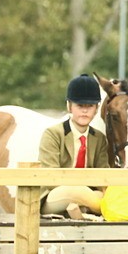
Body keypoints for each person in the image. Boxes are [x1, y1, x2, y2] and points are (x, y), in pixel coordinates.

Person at [38, 74, 110, 218]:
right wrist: (83, 186)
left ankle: (87, 209)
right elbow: (50, 177)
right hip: (55, 195)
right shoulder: (53, 134)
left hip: (88, 196)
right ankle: (93, 206)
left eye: (90, 106)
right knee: (74, 192)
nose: (84, 110)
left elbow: (103, 176)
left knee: (104, 195)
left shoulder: (99, 138)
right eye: (80, 105)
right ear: (69, 106)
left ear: (97, 108)